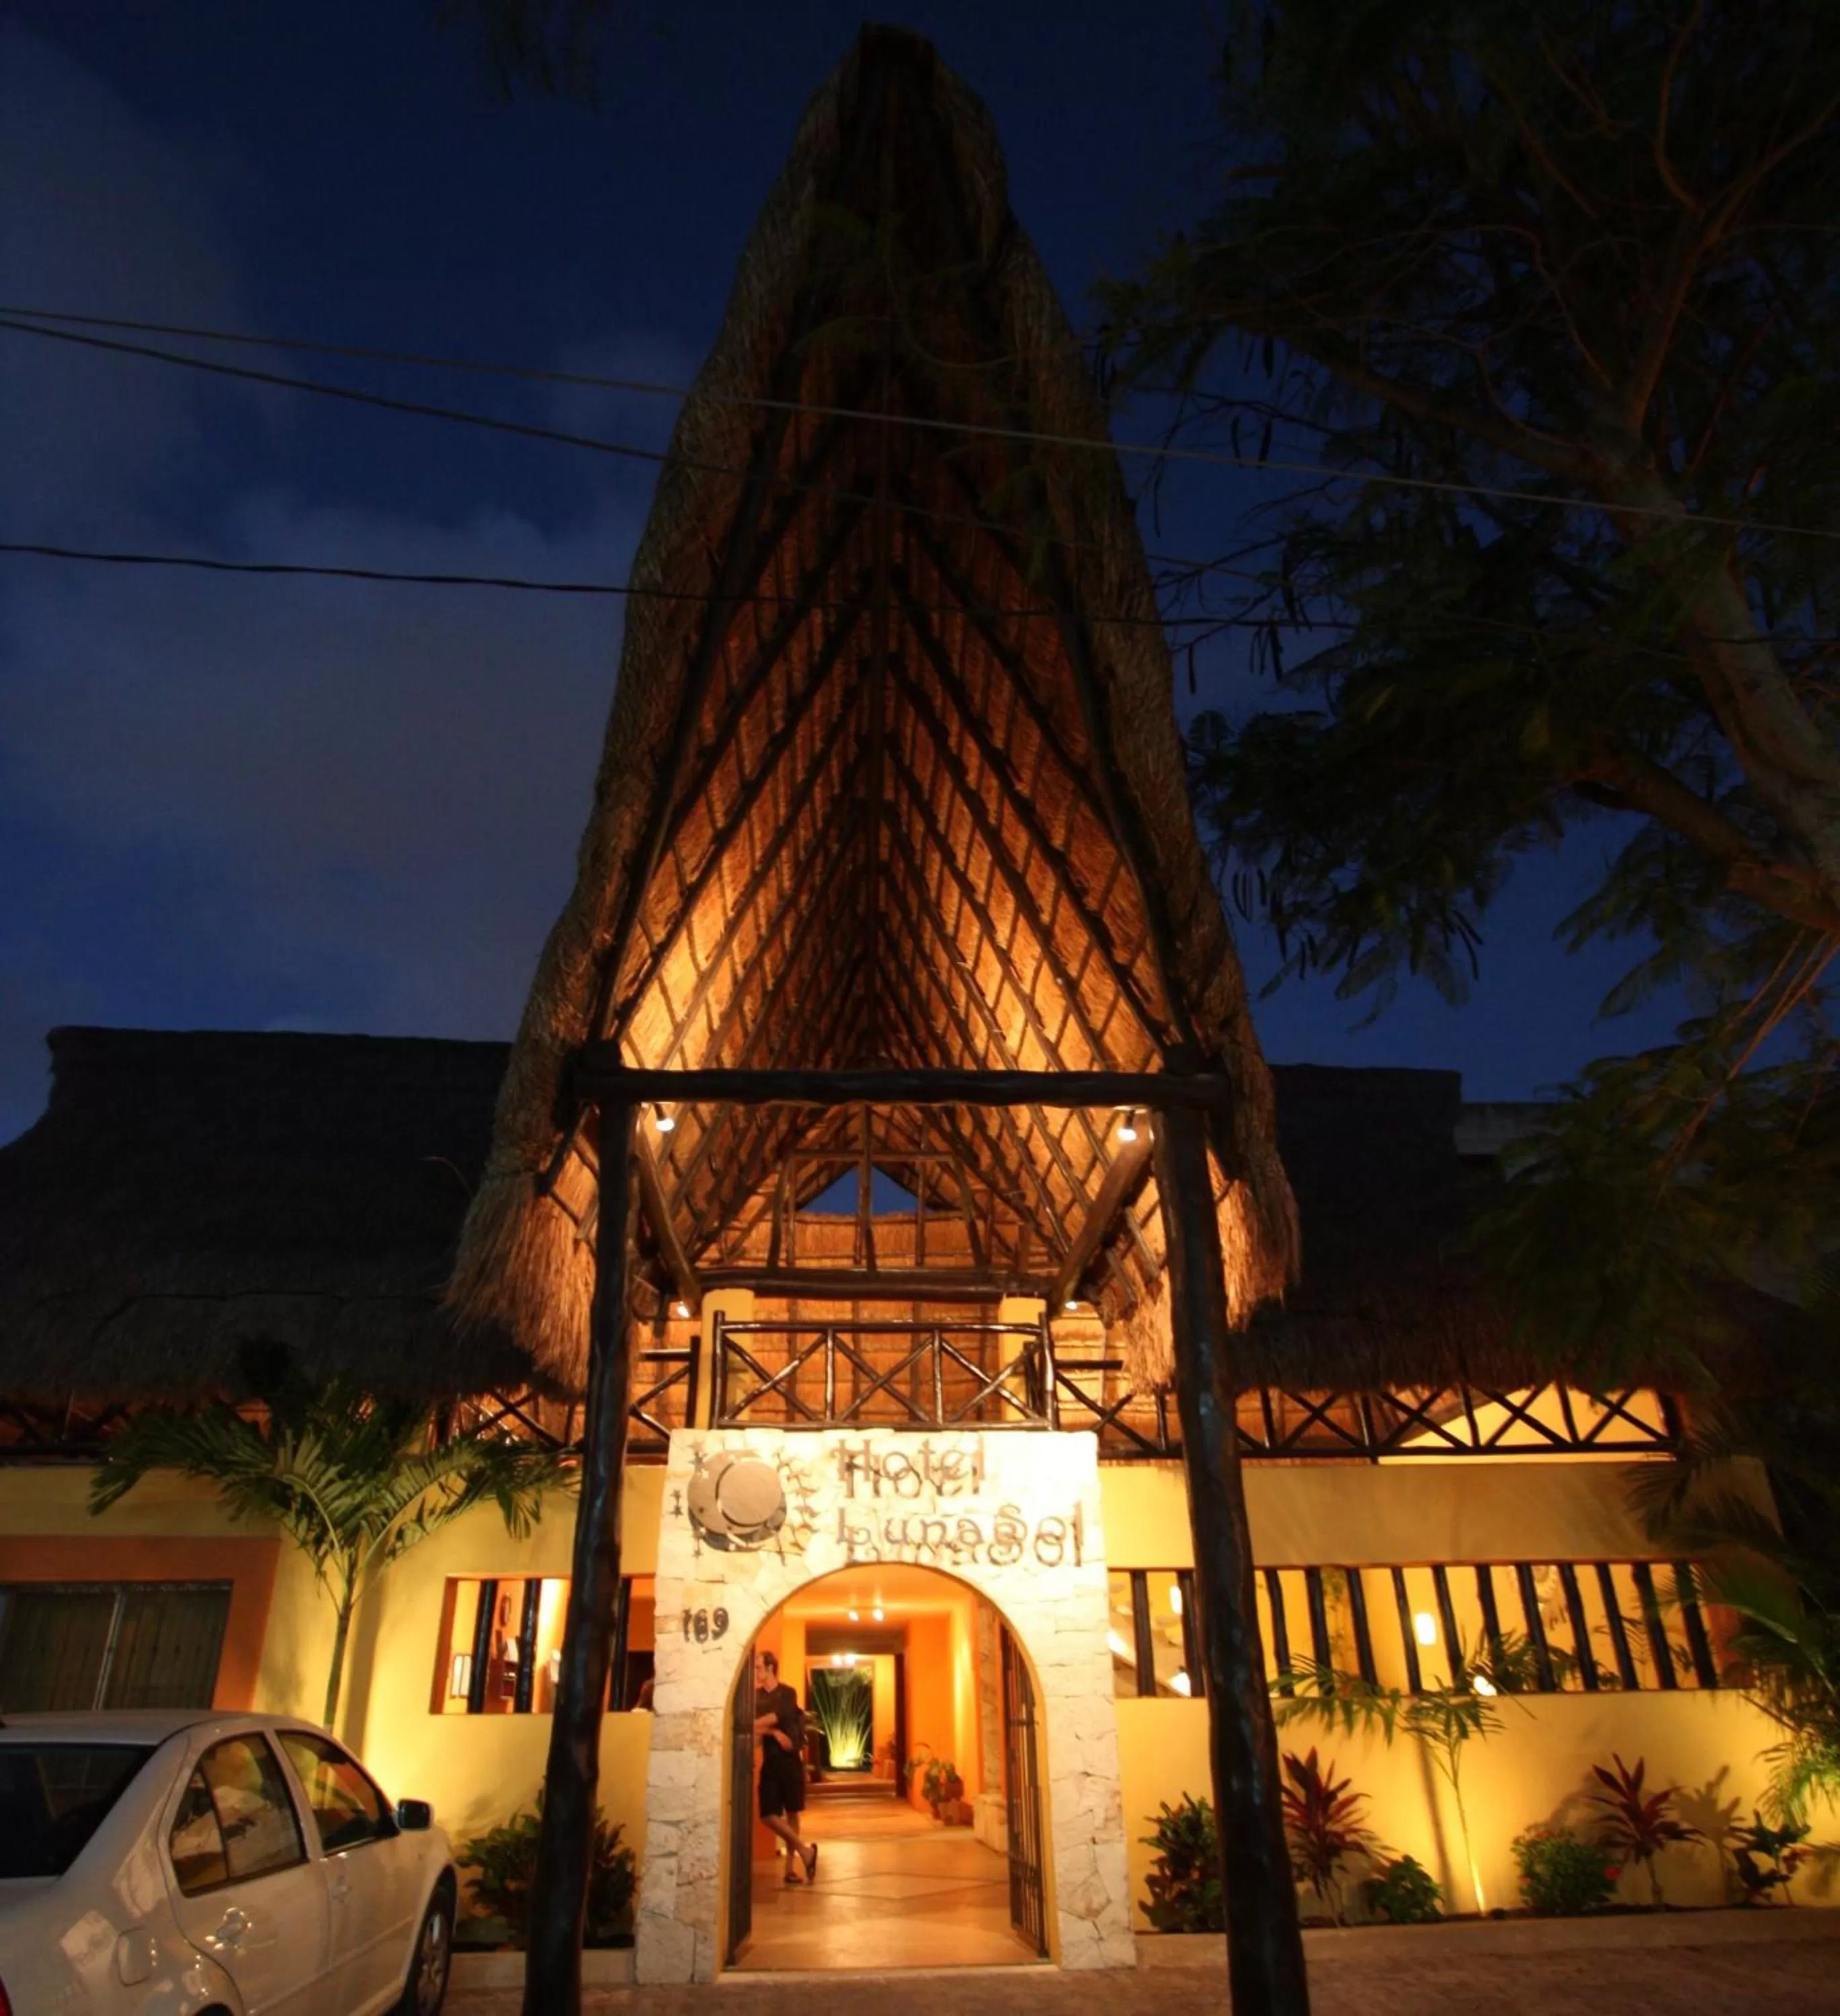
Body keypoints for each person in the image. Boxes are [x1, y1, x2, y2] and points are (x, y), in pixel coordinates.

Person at [753, 1648, 817, 1884]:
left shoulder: (788, 1693)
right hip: (771, 1761)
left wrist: (768, 1726)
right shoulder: (755, 1697)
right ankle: (804, 1850)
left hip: (790, 1761)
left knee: (792, 1812)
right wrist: (773, 1732)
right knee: (768, 1814)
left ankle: (790, 1869)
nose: (756, 1672)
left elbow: (775, 1717)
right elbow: (752, 1726)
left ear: (770, 1668)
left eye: (759, 1667)